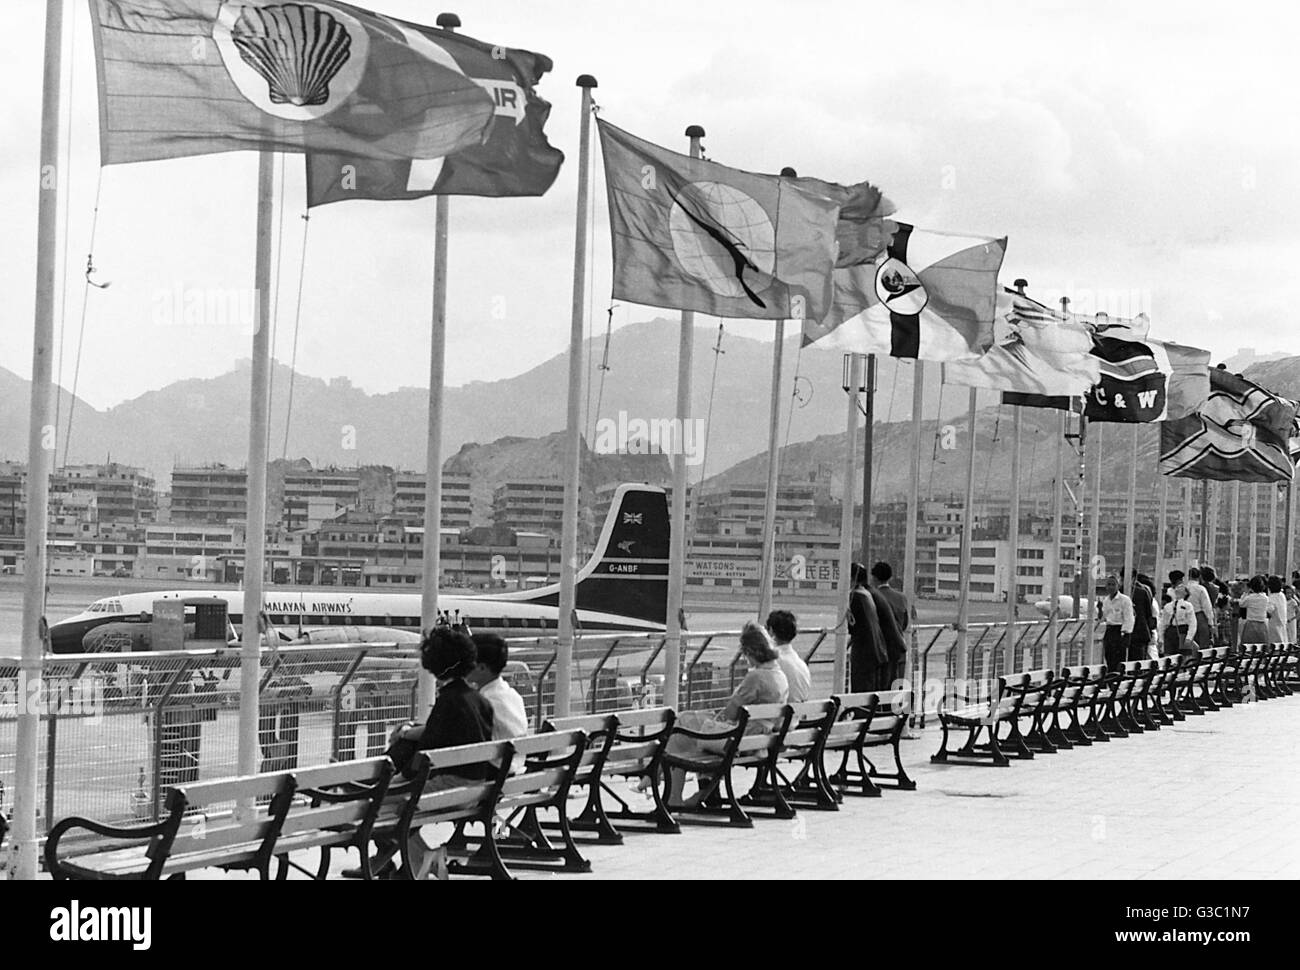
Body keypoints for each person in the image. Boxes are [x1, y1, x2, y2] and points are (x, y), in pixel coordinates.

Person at [346, 627, 494, 880]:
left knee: (387, 805)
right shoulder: (480, 701)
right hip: (477, 787)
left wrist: (395, 780)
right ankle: (418, 864)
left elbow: (425, 755)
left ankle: (423, 860)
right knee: (397, 803)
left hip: (452, 786)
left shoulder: (448, 701)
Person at [663, 622, 788, 809]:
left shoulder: (756, 677)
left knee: (680, 727)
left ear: (751, 651)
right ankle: (703, 792)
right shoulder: (780, 675)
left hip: (738, 742)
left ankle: (672, 795)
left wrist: (712, 719)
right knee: (687, 727)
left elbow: (730, 712)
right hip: (756, 740)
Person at [468, 632, 529, 741]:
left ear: (482, 668)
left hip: (494, 752)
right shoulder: (513, 696)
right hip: (516, 751)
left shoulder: (483, 703)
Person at [847, 562, 889, 693]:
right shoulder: (867, 594)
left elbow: (853, 626)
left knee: (861, 692)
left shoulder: (855, 596)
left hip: (864, 653)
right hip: (875, 651)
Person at [871, 561, 912, 688]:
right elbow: (905, 623)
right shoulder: (902, 598)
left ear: (874, 578)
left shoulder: (873, 596)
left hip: (879, 650)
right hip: (898, 648)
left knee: (879, 688)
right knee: (896, 688)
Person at [766, 609, 811, 704]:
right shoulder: (801, 664)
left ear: (771, 631)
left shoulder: (772, 663)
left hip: (778, 711)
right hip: (798, 711)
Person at [1096, 574, 1135, 672]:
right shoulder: (1106, 600)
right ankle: (1111, 677)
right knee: (1109, 657)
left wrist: (1126, 634)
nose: (1111, 587)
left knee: (1119, 659)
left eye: (1113, 584)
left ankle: (1119, 677)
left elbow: (1129, 618)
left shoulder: (1124, 600)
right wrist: (1099, 609)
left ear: (1118, 586)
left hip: (1120, 631)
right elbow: (1103, 618)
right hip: (1110, 630)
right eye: (1109, 584)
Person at [1156, 584, 1197, 657]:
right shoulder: (1168, 606)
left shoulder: (1188, 605)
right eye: (1177, 587)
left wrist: (1189, 637)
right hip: (1170, 631)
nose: (1178, 589)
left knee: (1184, 656)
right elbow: (1163, 623)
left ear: (1185, 593)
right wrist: (1161, 638)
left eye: (1181, 588)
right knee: (1169, 656)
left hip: (1183, 631)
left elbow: (1192, 623)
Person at [1238, 576, 1273, 647]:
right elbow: (1270, 608)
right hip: (1262, 624)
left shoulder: (1249, 598)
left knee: (1248, 646)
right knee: (1262, 646)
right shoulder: (1265, 598)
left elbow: (1241, 604)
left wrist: (1245, 593)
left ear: (1251, 587)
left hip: (1251, 623)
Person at [1184, 568, 1215, 650]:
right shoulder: (1200, 589)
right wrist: (1210, 623)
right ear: (1199, 576)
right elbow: (1207, 607)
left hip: (1185, 617)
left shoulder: (1183, 588)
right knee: (1202, 645)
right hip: (1199, 617)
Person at [1130, 573, 1157, 661]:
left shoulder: (1120, 591)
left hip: (1137, 633)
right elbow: (1149, 614)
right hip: (1142, 632)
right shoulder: (1144, 591)